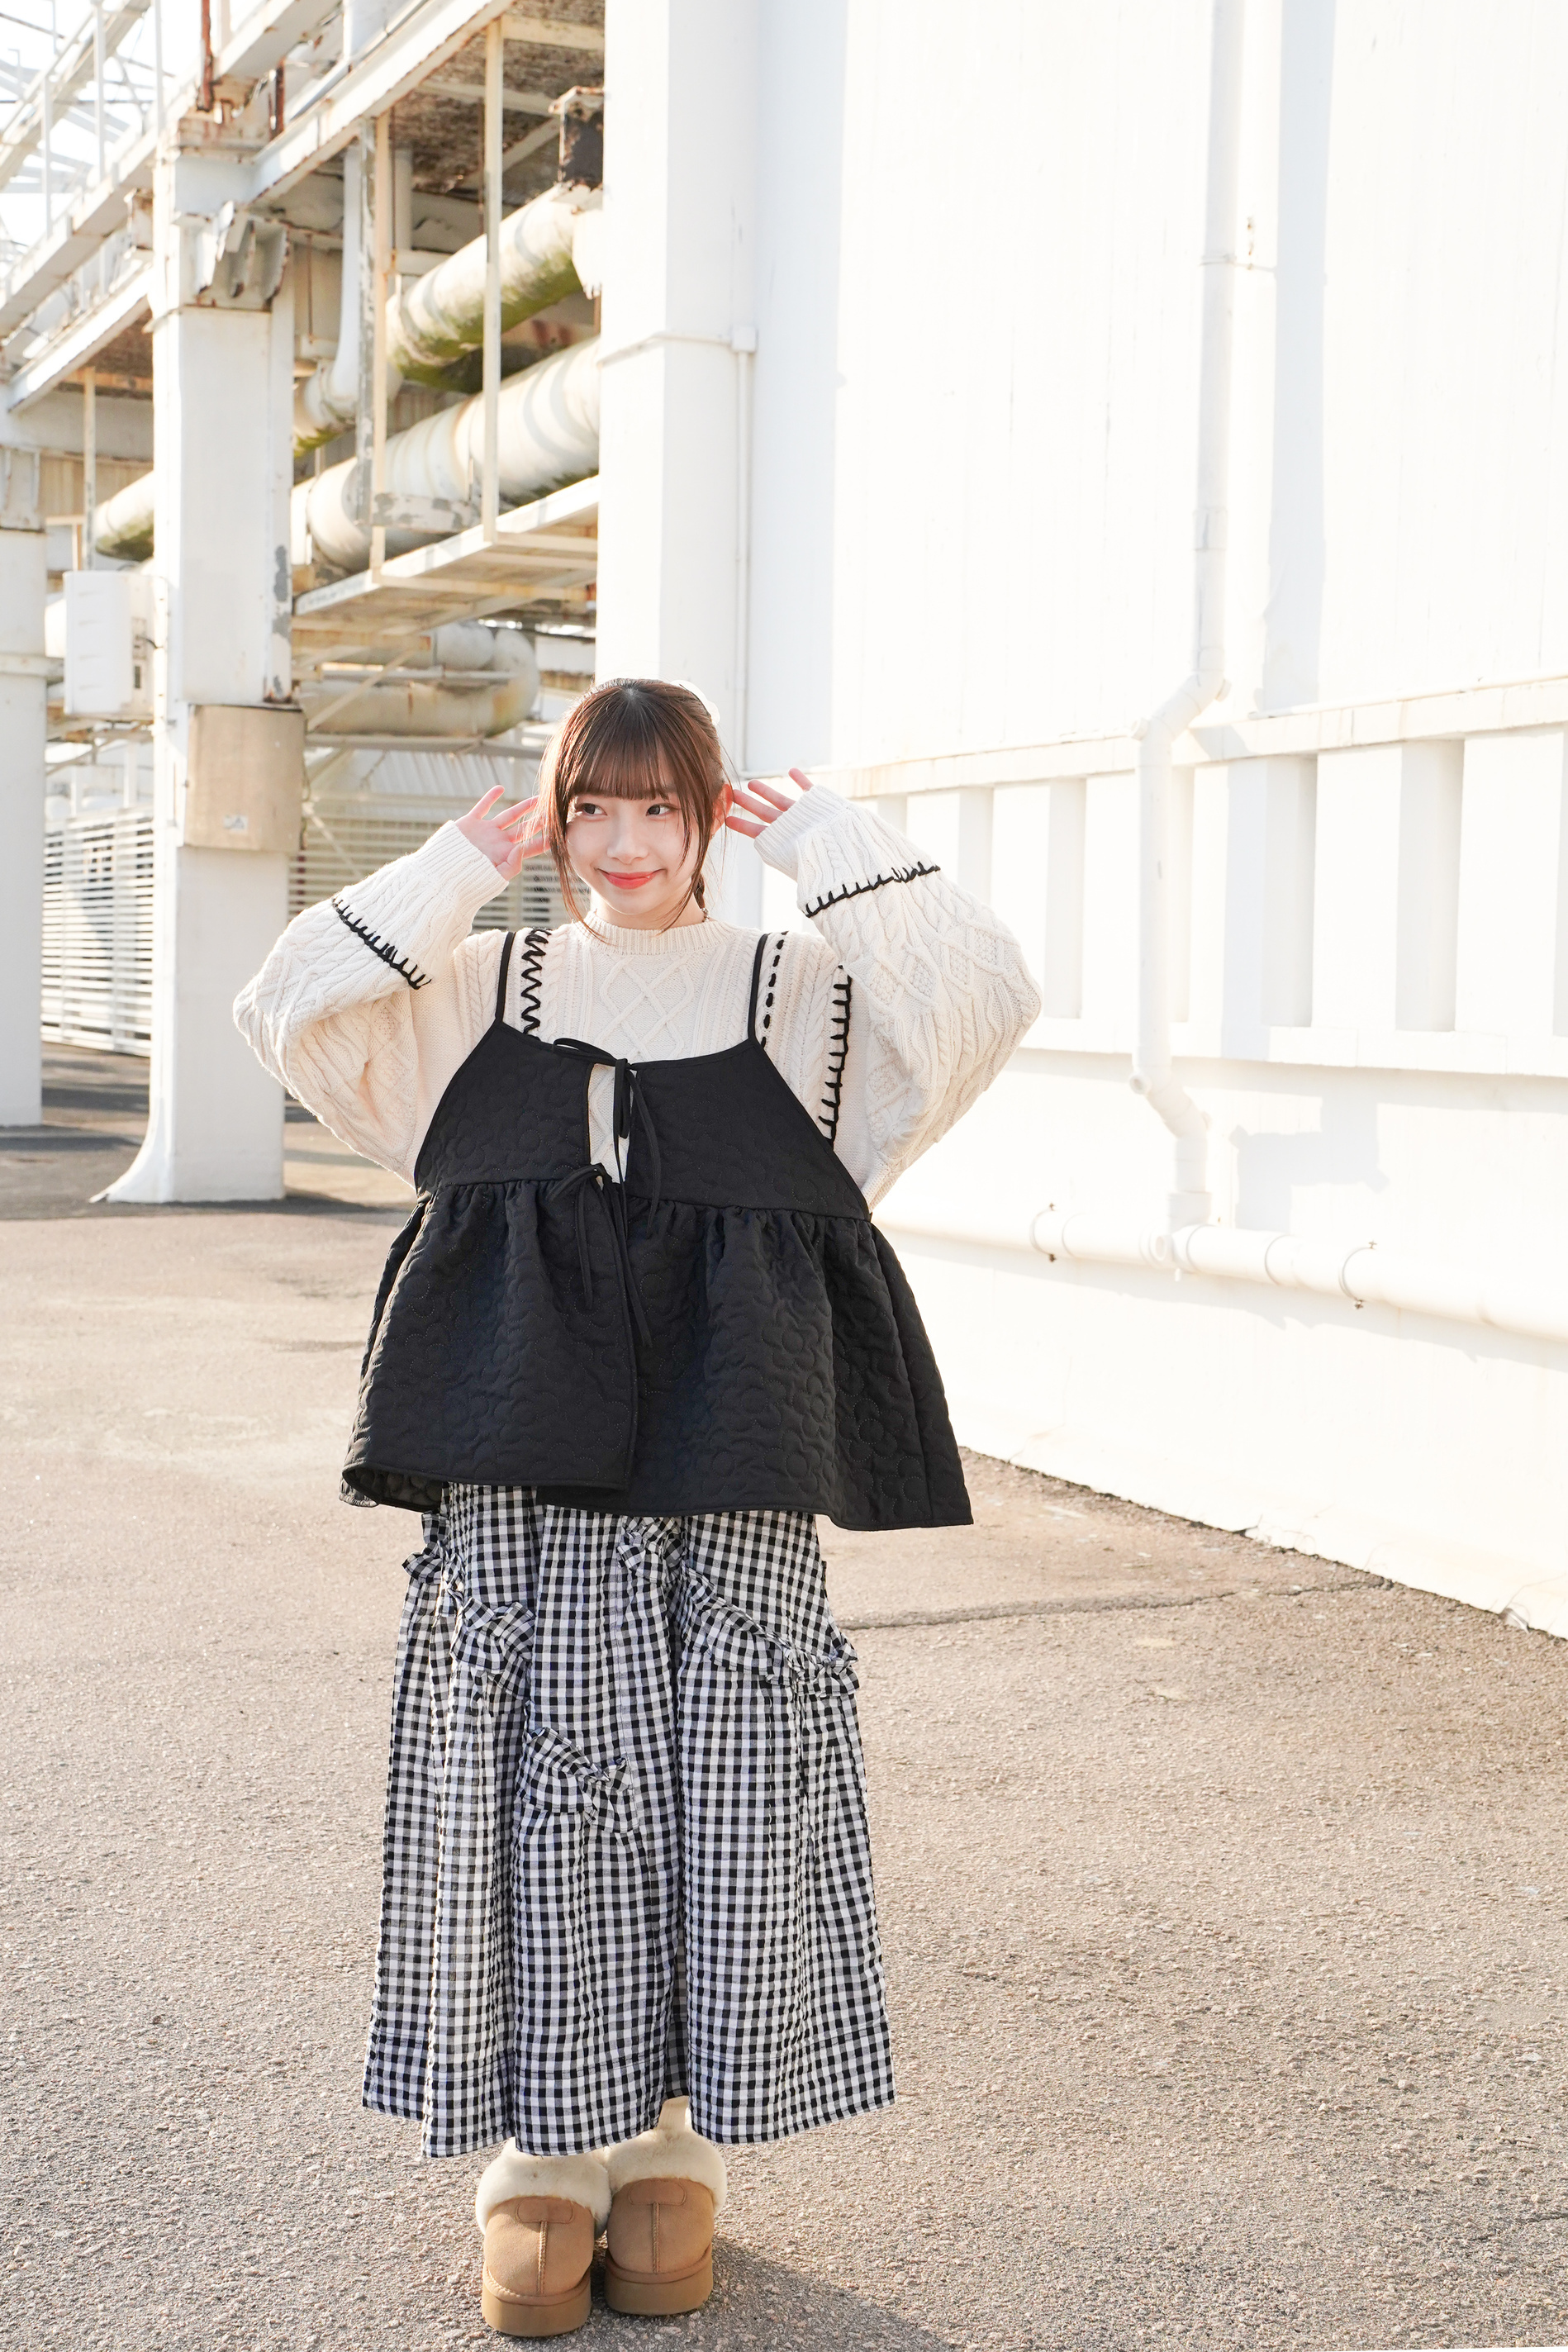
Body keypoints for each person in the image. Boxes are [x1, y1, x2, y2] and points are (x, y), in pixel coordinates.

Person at [235, 677, 1040, 2337]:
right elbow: (287, 1008)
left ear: (706, 815)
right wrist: (452, 868)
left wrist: (836, 845)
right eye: (588, 807)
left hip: (736, 1448)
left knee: (720, 1779)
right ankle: (541, 2148)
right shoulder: (481, 982)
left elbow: (981, 1002)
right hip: (518, 1451)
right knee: (531, 1779)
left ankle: (677, 2142)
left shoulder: (799, 993)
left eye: (658, 807)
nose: (622, 843)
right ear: (553, 818)